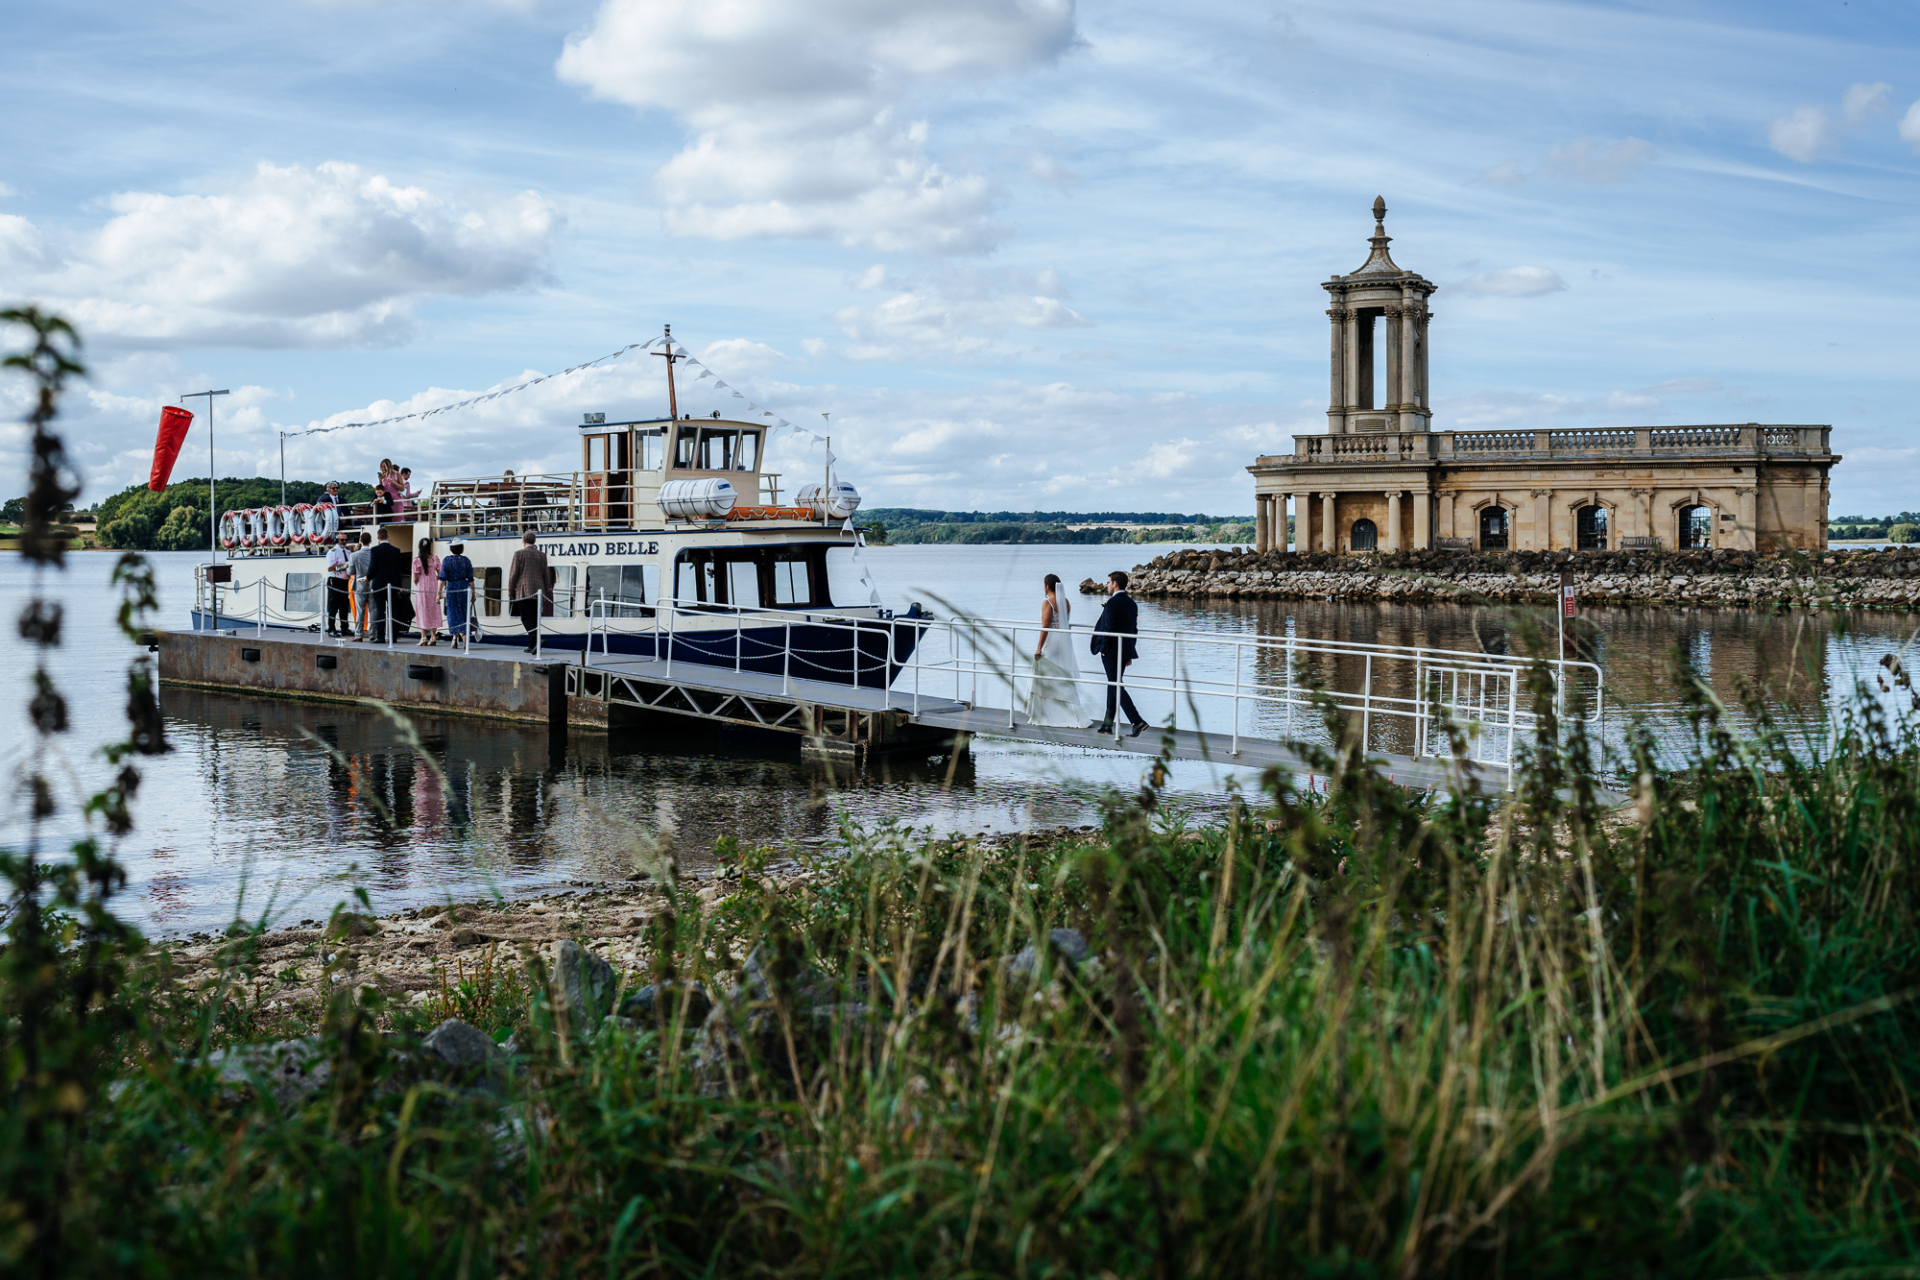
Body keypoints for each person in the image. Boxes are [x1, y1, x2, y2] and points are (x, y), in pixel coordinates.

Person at [1024, 572, 1089, 728]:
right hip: (1063, 641)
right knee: (1061, 674)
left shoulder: (1048, 603)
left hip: (1051, 642)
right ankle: (1071, 712)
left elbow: (1045, 626)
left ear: (1047, 586)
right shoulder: (1065, 602)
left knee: (1045, 673)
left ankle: (1045, 714)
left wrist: (1039, 647)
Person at [1090, 569, 1146, 737]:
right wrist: (1129, 652)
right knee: (1113, 684)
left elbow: (1109, 628)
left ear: (1115, 583)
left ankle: (1137, 721)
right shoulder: (1132, 603)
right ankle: (1107, 725)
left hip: (1112, 651)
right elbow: (1133, 630)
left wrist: (1104, 650)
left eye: (1108, 582)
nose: (1107, 585)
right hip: (1124, 650)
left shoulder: (1112, 603)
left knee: (1116, 685)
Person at [507, 531, 550, 653]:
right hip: (538, 591)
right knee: (534, 618)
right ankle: (532, 645)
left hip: (524, 590)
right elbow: (546, 575)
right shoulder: (542, 555)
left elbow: (514, 574)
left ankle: (537, 639)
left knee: (526, 618)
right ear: (534, 541)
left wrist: (510, 590)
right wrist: (545, 592)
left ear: (524, 541)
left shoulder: (519, 554)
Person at [367, 526, 408, 644]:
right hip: (393, 584)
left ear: (378, 538)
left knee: (380, 610)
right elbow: (398, 570)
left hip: (379, 584)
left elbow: (372, 568)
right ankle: (393, 636)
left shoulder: (374, 550)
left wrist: (368, 577)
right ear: (388, 536)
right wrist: (399, 586)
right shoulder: (396, 550)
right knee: (393, 610)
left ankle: (380, 636)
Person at [440, 541, 474, 650]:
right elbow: (471, 580)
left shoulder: (447, 560)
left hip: (452, 588)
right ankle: (456, 638)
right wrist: (473, 594)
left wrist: (438, 593)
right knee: (463, 612)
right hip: (463, 588)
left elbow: (442, 579)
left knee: (453, 612)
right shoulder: (466, 560)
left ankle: (460, 637)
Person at [412, 534, 443, 646]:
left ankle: (424, 637)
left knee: (422, 610)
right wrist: (433, 579)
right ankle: (433, 637)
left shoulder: (416, 560)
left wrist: (419, 583)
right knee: (433, 610)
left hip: (422, 588)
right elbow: (440, 574)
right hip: (433, 588)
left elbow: (415, 578)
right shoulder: (435, 558)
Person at [323, 530, 352, 636]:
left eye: (345, 540)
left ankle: (344, 628)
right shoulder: (333, 552)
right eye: (342, 540)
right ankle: (331, 629)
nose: (344, 541)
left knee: (344, 606)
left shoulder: (348, 552)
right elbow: (330, 568)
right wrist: (344, 565)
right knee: (334, 606)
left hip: (345, 581)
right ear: (337, 540)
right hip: (335, 581)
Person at [347, 531, 374, 640]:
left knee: (360, 611)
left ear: (360, 541)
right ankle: (373, 634)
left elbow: (350, 572)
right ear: (371, 541)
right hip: (372, 585)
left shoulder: (354, 555)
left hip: (359, 585)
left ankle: (358, 634)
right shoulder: (374, 554)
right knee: (373, 611)